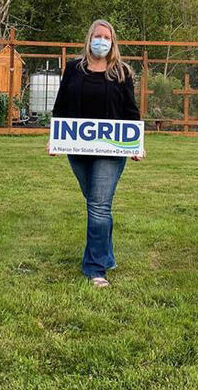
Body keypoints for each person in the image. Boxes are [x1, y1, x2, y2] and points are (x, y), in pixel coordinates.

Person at [50, 19, 142, 287]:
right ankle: (106, 254)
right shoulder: (73, 69)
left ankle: (95, 268)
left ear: (113, 42)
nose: (101, 41)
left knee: (99, 205)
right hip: (76, 146)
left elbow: (131, 112)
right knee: (94, 201)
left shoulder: (122, 72)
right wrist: (54, 139)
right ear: (89, 38)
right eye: (97, 36)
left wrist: (136, 143)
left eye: (107, 37)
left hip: (111, 149)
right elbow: (61, 106)